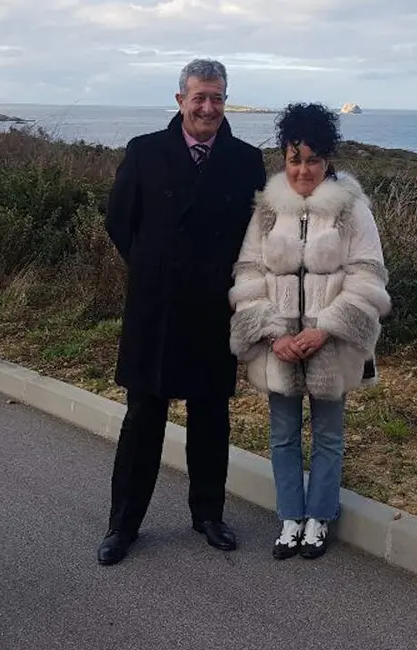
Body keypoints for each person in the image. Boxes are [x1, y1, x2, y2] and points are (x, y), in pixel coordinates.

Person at [97, 59, 267, 566]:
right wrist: (154, 268)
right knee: (143, 418)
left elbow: (253, 236)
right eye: (199, 98)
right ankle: (122, 525)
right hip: (157, 306)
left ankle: (208, 515)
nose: (208, 107)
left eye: (217, 98)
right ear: (180, 100)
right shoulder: (146, 151)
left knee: (211, 417)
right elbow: (118, 220)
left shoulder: (244, 160)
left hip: (215, 307)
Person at [228, 103, 390, 560]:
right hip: (278, 347)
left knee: (329, 436)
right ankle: (289, 518)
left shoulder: (351, 210)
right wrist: (271, 332)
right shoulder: (265, 210)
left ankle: (319, 517)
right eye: (295, 159)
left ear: (327, 160)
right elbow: (249, 273)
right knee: (281, 435)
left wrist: (325, 330)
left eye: (313, 159)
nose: (303, 169)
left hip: (331, 347)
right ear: (284, 158)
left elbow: (368, 277)